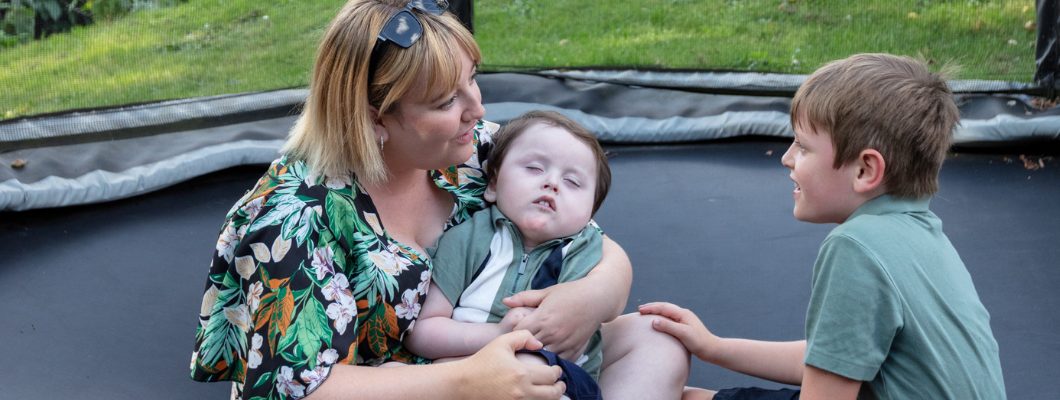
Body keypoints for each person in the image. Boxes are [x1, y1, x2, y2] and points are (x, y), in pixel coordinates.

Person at [190, 1, 689, 399]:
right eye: (446, 101)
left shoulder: (475, 150)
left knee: (655, 339)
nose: (477, 108)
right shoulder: (293, 218)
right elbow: (299, 388)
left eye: (471, 79)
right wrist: (465, 384)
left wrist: (590, 297)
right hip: (415, 387)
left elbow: (597, 245)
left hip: (501, 357)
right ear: (374, 119)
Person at [640, 53, 1007, 400]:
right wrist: (715, 348)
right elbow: (836, 359)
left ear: (865, 170)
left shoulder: (856, 246)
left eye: (802, 147)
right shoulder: (925, 237)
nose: (786, 158)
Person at [405, 110, 613, 400]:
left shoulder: (586, 251)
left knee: (660, 337)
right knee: (520, 361)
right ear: (493, 184)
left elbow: (601, 310)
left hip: (563, 381)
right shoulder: (468, 239)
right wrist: (497, 335)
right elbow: (422, 331)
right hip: (471, 372)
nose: (552, 183)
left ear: (590, 213)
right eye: (534, 168)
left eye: (573, 182)